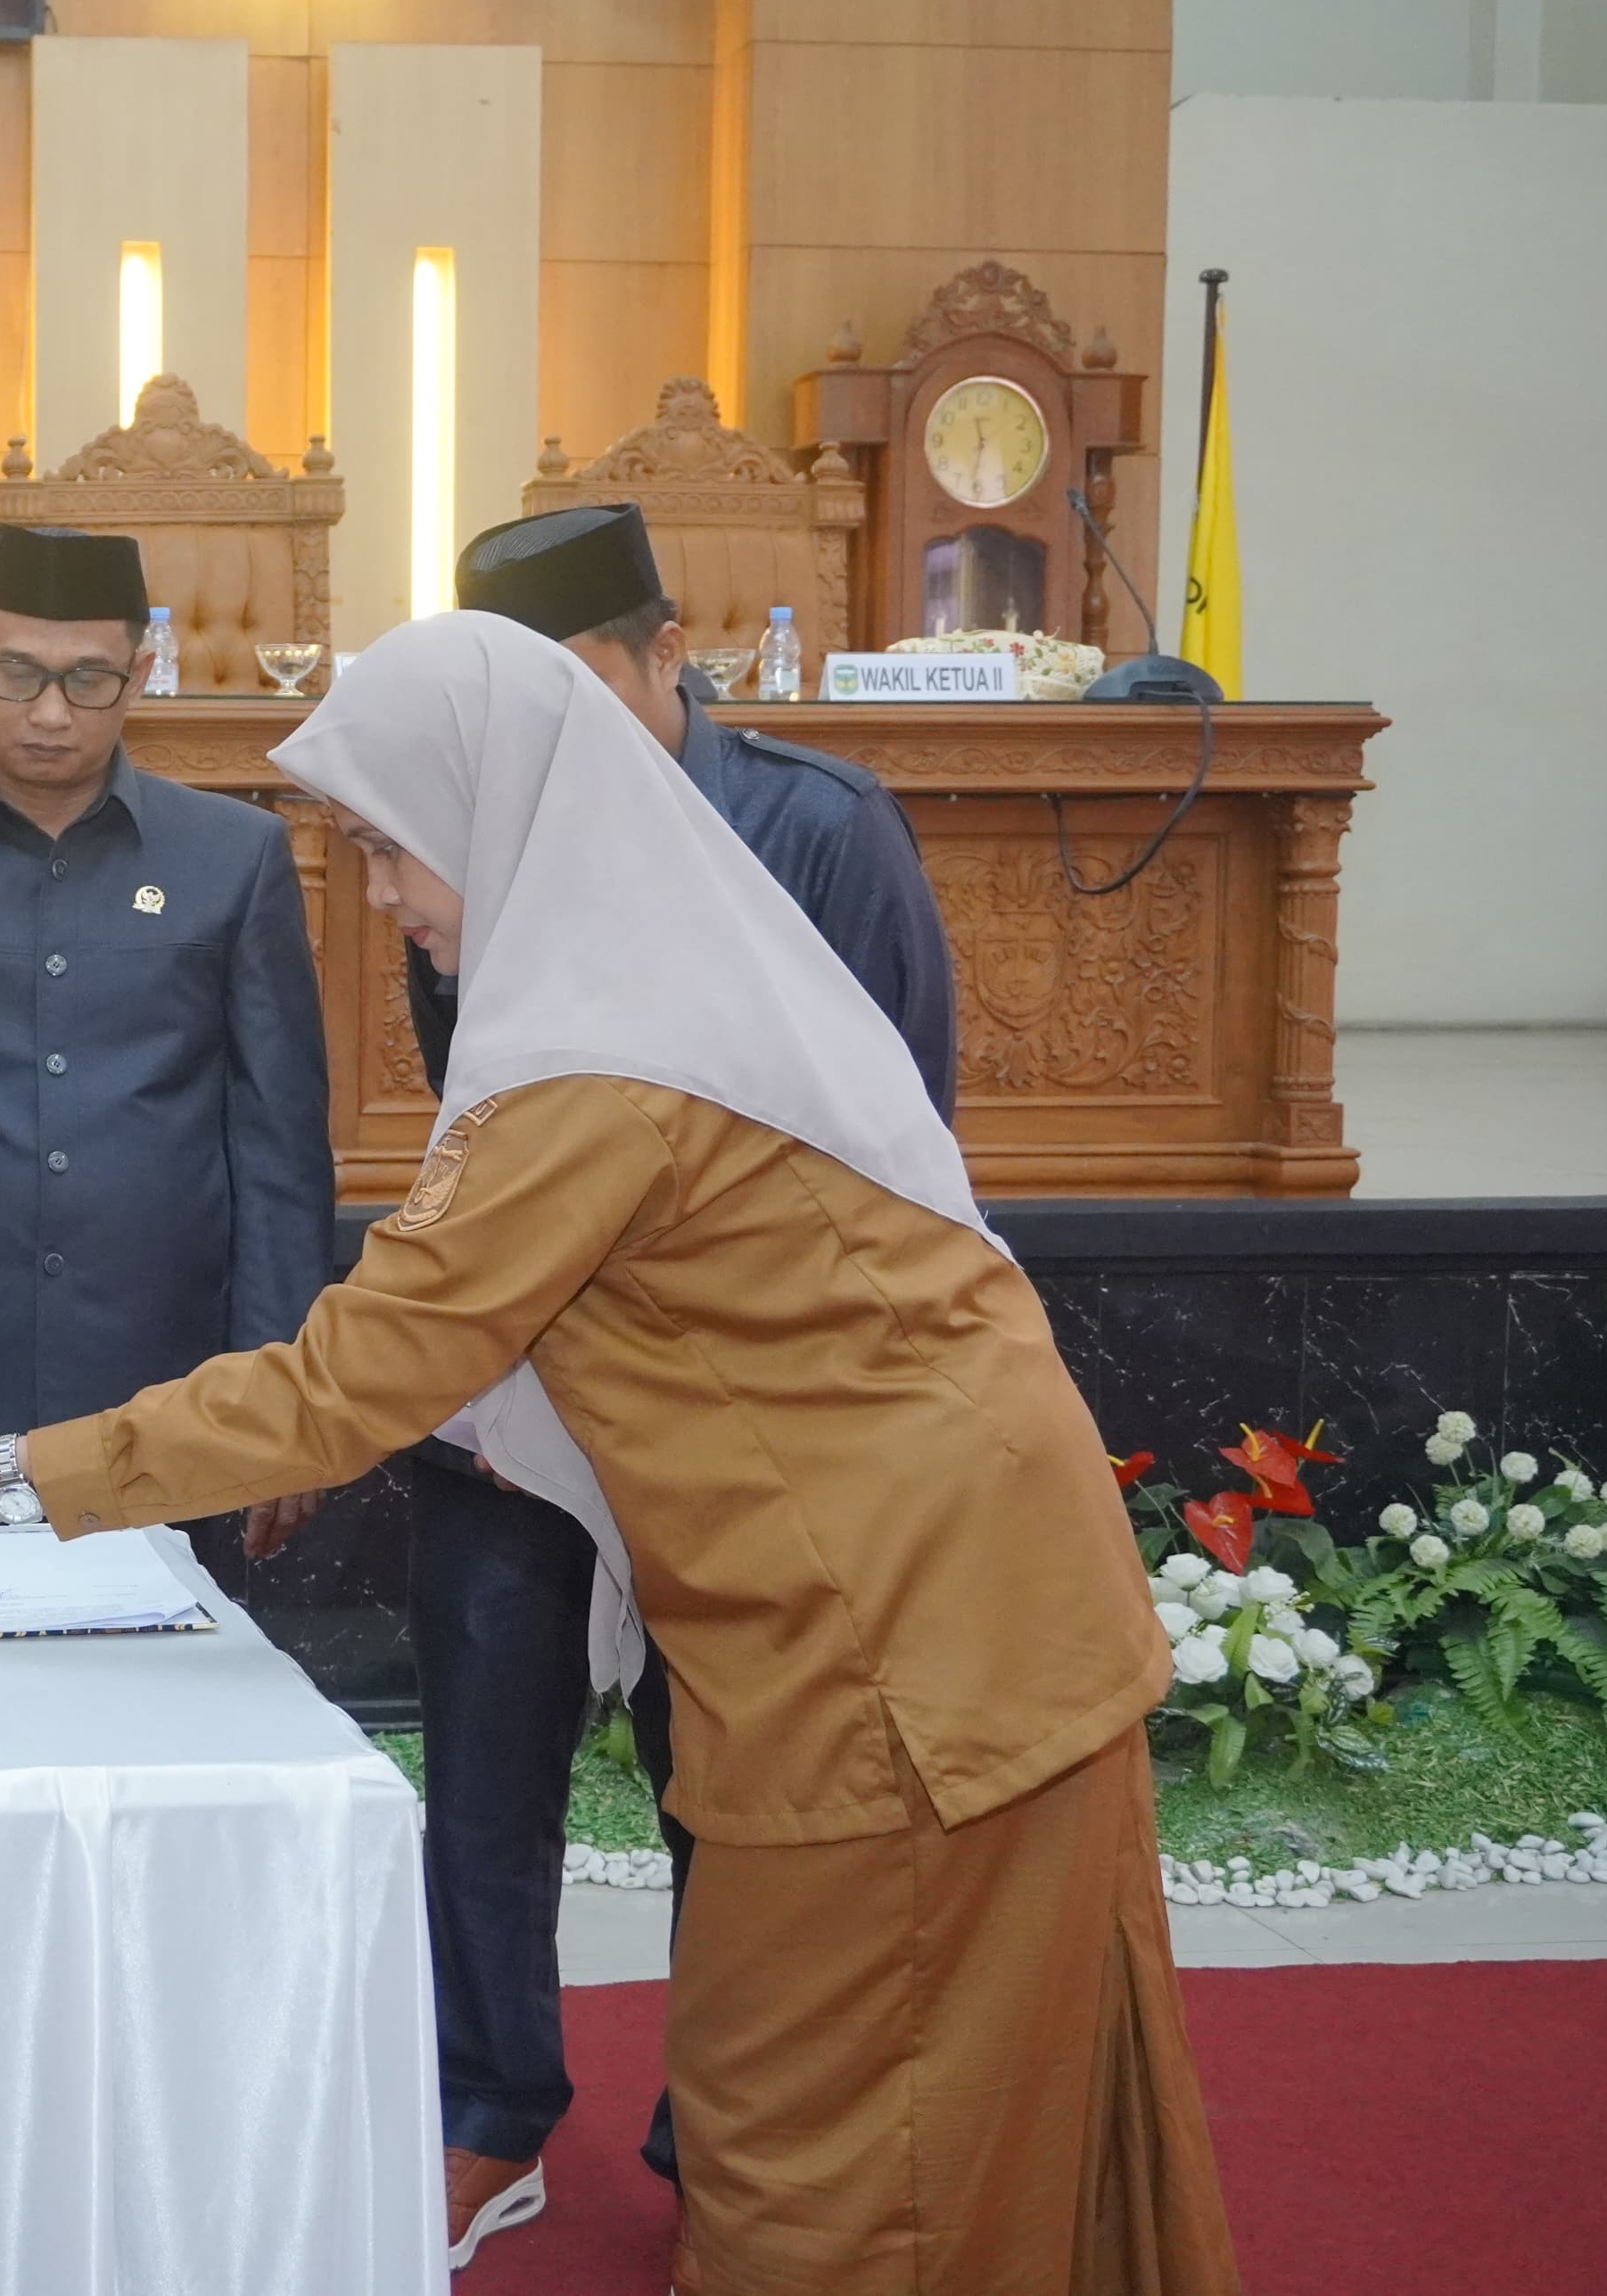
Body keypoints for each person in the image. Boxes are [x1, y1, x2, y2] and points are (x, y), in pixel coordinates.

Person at [0, 615, 1239, 2296]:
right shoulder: (645, 983)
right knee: (886, 2113)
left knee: (839, 2156)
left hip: (912, 1650)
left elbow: (348, 1385)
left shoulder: (594, 1066)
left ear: (493, 810)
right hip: (931, 1605)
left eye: (387, 843)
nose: (380, 895)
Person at [397, 500, 963, 2254]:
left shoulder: (819, 827)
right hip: (532, 1402)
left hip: (743, 1422)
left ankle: (723, 2128)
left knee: (735, 1789)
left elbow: (896, 1145)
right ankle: (485, 2108)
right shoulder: (477, 849)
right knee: (482, 1770)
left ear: (666, 653)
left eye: (575, 692)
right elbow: (485, 1134)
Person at [0, 522, 333, 1557]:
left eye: (87, 678)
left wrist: (279, 1392)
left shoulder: (233, 857)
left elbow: (279, 1149)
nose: (49, 713)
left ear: (141, 670)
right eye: (16, 673)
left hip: (164, 1385)